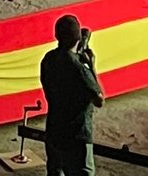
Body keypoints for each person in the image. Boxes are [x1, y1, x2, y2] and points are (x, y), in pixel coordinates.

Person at [39, 14, 103, 176]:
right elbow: (99, 99)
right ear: (77, 40)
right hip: (78, 135)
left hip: (54, 129)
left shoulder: (48, 59)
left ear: (57, 36)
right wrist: (91, 66)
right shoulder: (79, 68)